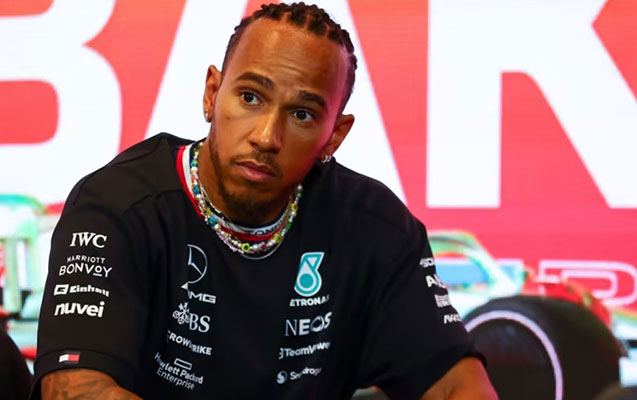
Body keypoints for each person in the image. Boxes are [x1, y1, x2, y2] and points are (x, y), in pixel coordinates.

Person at [31, 3, 497, 399]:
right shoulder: (118, 206)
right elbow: (75, 389)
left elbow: (457, 386)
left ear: (334, 136)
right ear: (212, 94)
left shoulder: (376, 230)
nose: (266, 137)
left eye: (302, 114)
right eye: (251, 97)